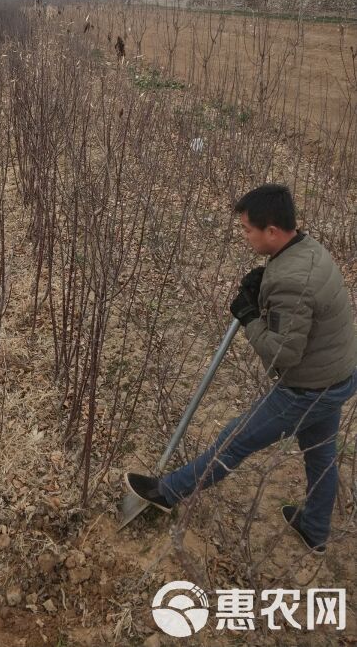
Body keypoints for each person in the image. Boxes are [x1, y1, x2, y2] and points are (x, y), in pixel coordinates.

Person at [125, 184, 357, 555]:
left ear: (272, 232)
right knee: (321, 453)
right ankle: (314, 528)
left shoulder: (291, 280)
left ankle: (167, 493)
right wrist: (266, 288)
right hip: (337, 376)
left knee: (234, 441)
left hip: (308, 388)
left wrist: (250, 316)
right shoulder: (306, 249)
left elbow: (282, 354)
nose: (244, 235)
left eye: (248, 229)